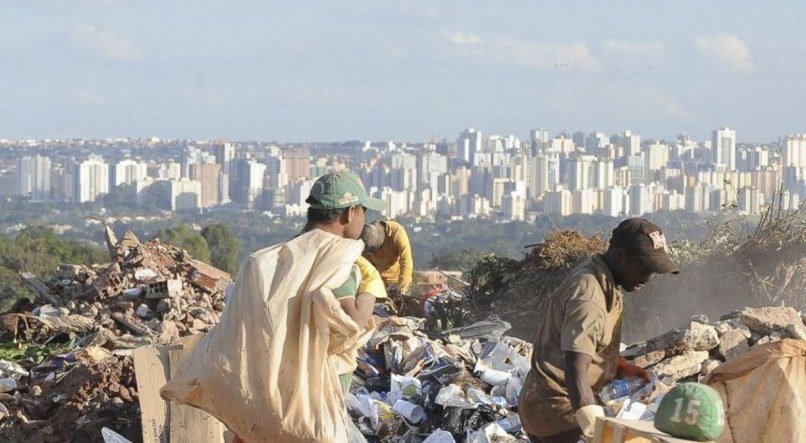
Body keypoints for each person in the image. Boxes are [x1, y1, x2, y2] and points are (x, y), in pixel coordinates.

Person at [518, 218, 680, 443]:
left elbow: (590, 345)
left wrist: (622, 367)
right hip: (558, 411)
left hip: (551, 405)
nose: (647, 277)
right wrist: (596, 431)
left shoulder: (604, 279)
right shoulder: (589, 297)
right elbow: (575, 370)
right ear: (621, 255)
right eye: (644, 268)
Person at [301, 171, 389, 396]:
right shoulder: (337, 261)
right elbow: (353, 320)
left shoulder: (289, 251)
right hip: (321, 387)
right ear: (350, 213)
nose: (365, 220)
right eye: (364, 211)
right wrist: (370, 285)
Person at [360, 219, 414, 294]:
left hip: (397, 281)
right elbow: (361, 265)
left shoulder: (397, 232)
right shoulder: (366, 238)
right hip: (377, 282)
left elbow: (406, 260)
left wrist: (402, 289)